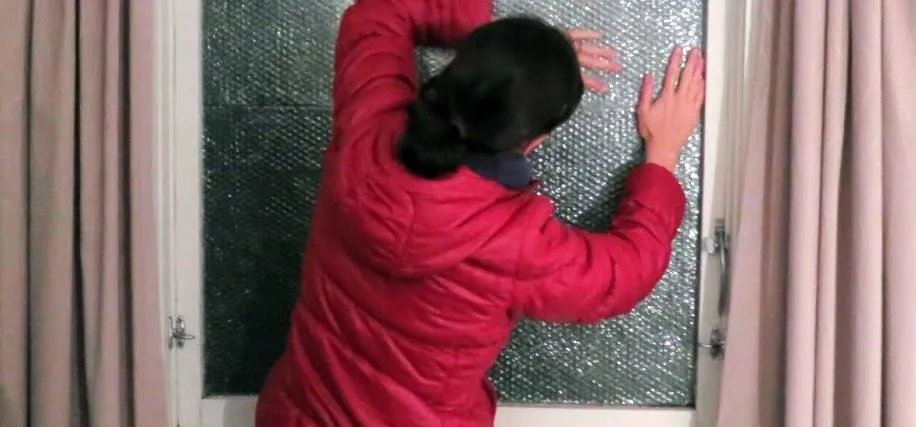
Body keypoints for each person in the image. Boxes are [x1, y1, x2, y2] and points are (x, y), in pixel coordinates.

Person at [255, 0, 705, 425]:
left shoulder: (367, 127)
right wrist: (663, 154)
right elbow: (622, 273)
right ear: (534, 141)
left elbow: (377, 13)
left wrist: (504, 65)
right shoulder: (514, 245)